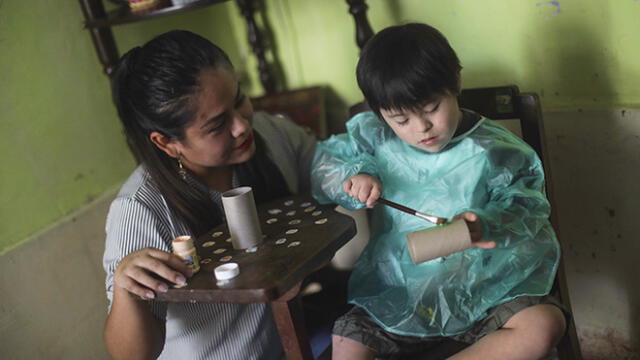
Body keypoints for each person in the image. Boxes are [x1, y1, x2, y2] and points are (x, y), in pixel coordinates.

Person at [311, 23, 567, 359]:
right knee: (346, 342)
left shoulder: (496, 150)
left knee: (543, 325)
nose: (422, 128)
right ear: (379, 114)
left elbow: (528, 208)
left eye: (431, 108)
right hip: (400, 289)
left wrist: (486, 224)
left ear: (455, 82)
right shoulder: (375, 138)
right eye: (400, 119)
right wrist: (355, 175)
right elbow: (325, 167)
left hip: (487, 288)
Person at [103, 30, 316, 360]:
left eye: (239, 99)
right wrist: (125, 288)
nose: (242, 126)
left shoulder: (273, 135)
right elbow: (131, 355)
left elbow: (327, 186)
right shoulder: (140, 209)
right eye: (217, 125)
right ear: (165, 143)